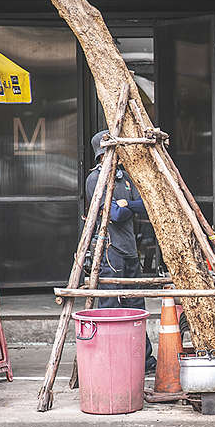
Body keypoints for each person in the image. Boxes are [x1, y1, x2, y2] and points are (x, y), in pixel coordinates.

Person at [85, 130, 156, 374]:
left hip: (130, 250)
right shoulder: (96, 179)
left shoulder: (125, 178)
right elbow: (114, 214)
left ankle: (143, 360)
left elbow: (144, 205)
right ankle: (110, 358)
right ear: (102, 156)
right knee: (110, 305)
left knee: (136, 304)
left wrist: (127, 205)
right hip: (109, 250)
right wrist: (127, 207)